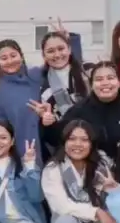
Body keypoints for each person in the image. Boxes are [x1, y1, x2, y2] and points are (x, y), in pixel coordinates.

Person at [48, 61, 120, 158]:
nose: (105, 83)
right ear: (92, 85)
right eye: (99, 79)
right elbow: (58, 139)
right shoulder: (80, 110)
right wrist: (49, 124)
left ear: (119, 82)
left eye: (110, 78)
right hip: (91, 167)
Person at [28, 25, 88, 159]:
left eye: (61, 49)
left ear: (70, 49)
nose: (57, 55)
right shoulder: (40, 84)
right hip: (59, 148)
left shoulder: (87, 74)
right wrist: (47, 122)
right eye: (50, 51)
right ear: (43, 55)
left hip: (90, 142)